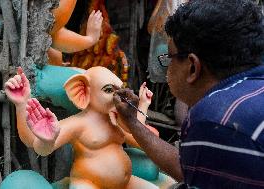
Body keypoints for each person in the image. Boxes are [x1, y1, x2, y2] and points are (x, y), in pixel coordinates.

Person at [113, 0, 264, 188]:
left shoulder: (214, 120)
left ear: (193, 67)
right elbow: (191, 166)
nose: (167, 68)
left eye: (169, 58)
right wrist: (133, 122)